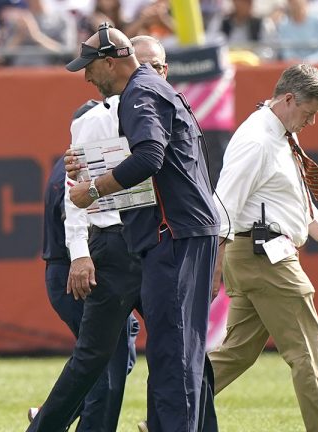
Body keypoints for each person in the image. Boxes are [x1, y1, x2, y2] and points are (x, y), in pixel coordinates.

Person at [65, 23, 219, 432]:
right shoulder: (153, 87)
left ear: (110, 62)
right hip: (186, 232)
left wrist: (94, 189)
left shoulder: (139, 92)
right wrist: (90, 167)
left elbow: (149, 155)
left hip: (173, 235)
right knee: (182, 351)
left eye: (89, 67)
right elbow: (153, 163)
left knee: (172, 354)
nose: (86, 77)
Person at [27, 35, 169, 432]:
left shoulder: (168, 107)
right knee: (102, 360)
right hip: (108, 250)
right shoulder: (92, 124)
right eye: (147, 67)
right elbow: (76, 200)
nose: (153, 76)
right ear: (125, 64)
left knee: (168, 352)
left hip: (154, 244)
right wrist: (80, 254)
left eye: (159, 67)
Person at [208, 64, 318, 432]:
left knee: (234, 354)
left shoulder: (282, 133)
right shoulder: (258, 139)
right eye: (308, 113)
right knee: (308, 348)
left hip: (261, 252)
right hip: (264, 255)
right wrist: (215, 266)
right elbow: (225, 202)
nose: (312, 122)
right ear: (288, 99)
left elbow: (293, 199)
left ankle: (163, 415)